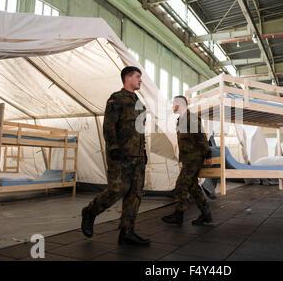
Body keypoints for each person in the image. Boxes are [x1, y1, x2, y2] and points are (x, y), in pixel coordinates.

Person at [81, 66, 150, 245]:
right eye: (138, 77)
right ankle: (90, 212)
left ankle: (127, 231)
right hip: (120, 155)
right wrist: (113, 147)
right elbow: (109, 126)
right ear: (127, 78)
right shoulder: (116, 99)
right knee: (117, 190)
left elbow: (140, 131)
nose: (140, 80)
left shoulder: (139, 103)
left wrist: (143, 152)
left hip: (137, 157)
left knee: (135, 194)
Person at [162, 95, 213, 225]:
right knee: (192, 186)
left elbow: (201, 137)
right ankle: (206, 214)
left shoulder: (192, 119)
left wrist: (208, 155)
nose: (172, 106)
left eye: (174, 104)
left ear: (179, 104)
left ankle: (179, 215)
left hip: (194, 158)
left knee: (181, 184)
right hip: (188, 158)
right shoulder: (182, 120)